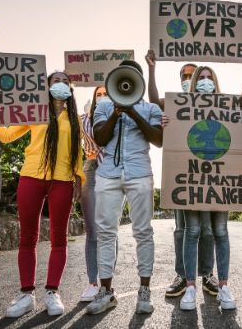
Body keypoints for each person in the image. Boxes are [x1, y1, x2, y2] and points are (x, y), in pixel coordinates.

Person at [0, 71, 84, 318]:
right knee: (28, 237)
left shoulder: (74, 118)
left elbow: (76, 150)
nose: (61, 84)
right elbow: (6, 134)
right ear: (46, 87)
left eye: (65, 82)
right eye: (56, 81)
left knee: (59, 238)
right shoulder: (34, 111)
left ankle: (52, 292)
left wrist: (79, 178)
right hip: (31, 176)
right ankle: (26, 295)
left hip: (62, 180)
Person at [171, 58, 242, 311]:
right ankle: (189, 287)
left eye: (210, 78)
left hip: (220, 179)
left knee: (220, 232)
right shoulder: (181, 107)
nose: (205, 82)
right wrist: (168, 124)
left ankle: (224, 286)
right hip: (194, 177)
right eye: (201, 78)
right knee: (192, 231)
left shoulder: (227, 106)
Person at [85, 60, 163, 315]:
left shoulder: (151, 108)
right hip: (108, 174)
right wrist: (117, 113)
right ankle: (106, 291)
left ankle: (144, 291)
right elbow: (100, 138)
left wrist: (133, 112)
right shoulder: (105, 105)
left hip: (140, 173)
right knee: (106, 232)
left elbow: (158, 139)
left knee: (143, 231)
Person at [144, 50, 219, 298]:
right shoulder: (174, 103)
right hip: (182, 174)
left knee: (206, 229)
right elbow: (153, 100)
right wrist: (152, 68)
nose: (189, 78)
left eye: (192, 74)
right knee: (182, 229)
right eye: (184, 75)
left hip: (209, 174)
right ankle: (182, 274)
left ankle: (207, 274)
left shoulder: (218, 103)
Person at [77, 85, 111, 302]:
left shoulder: (120, 116)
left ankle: (107, 282)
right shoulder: (83, 119)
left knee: (109, 230)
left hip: (113, 171)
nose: (102, 97)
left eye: (106, 94)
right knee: (92, 231)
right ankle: (92, 282)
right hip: (90, 168)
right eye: (98, 95)